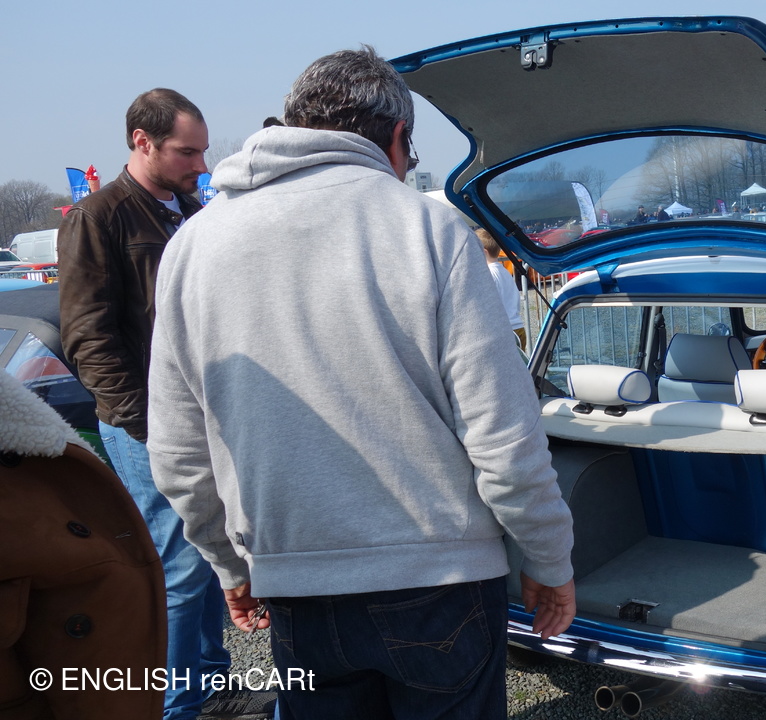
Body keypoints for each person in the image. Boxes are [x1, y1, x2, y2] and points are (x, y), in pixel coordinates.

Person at [146, 47, 576, 720]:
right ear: (397, 137)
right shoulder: (427, 227)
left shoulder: (194, 245)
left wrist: (231, 565)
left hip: (295, 587)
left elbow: (178, 452)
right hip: (441, 582)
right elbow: (501, 433)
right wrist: (549, 560)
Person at [57, 88, 273, 720]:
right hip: (148, 423)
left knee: (208, 559)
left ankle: (210, 686)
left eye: (203, 152)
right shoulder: (98, 217)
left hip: (203, 417)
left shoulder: (191, 211)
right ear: (141, 142)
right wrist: (148, 424)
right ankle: (176, 705)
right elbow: (87, 338)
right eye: (187, 152)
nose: (202, 165)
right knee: (180, 568)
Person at [0, 370, 166, 720]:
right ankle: (181, 700)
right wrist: (139, 420)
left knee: (177, 577)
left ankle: (199, 684)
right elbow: (94, 348)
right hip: (139, 420)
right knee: (177, 576)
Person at [476, 227, 527, 349]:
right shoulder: (504, 272)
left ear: (484, 252)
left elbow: (487, 305)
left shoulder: (488, 274)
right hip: (517, 327)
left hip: (505, 331)